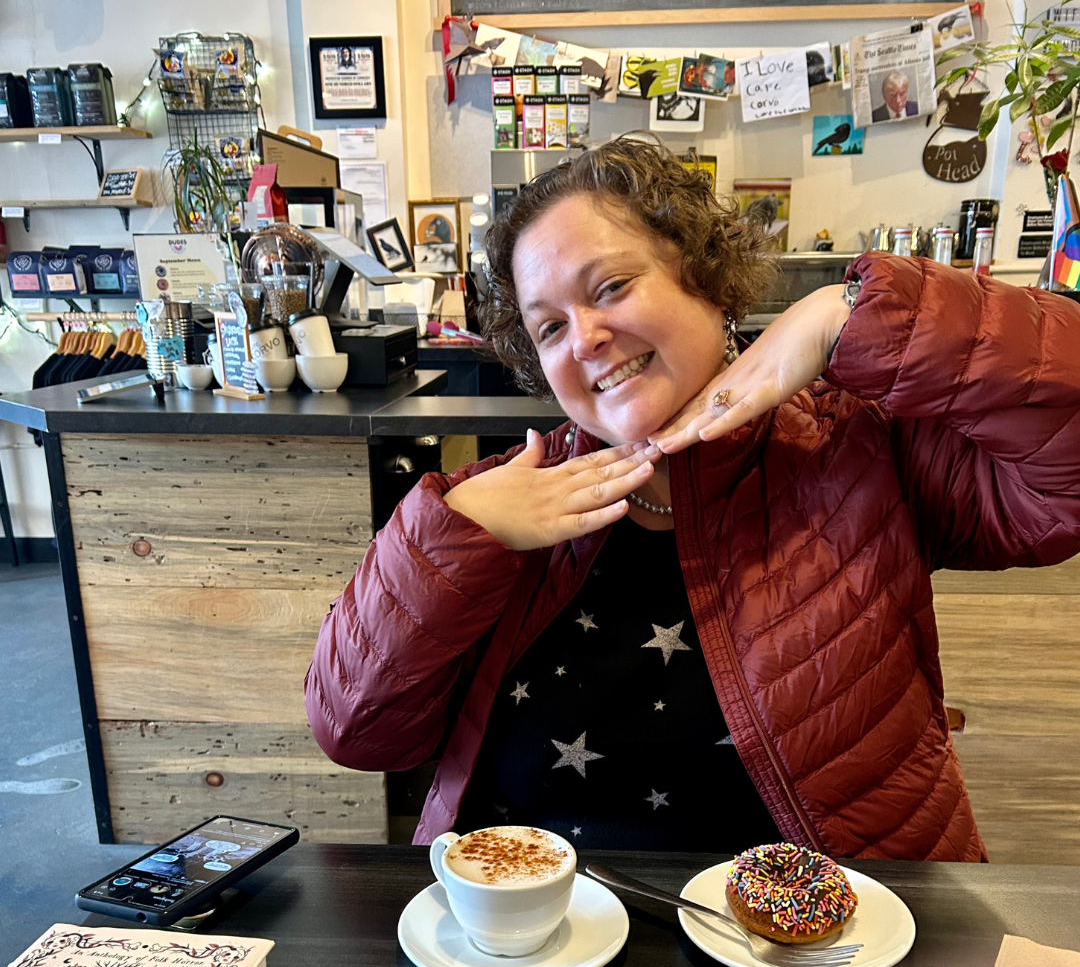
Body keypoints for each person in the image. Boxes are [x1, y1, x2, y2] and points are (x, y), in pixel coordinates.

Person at [305, 138, 1080, 860]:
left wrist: (853, 317)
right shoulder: (501, 505)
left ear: (708, 283)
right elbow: (356, 734)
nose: (584, 340)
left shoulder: (862, 452)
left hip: (825, 947)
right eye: (548, 329)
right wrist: (454, 536)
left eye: (610, 287)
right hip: (536, 946)